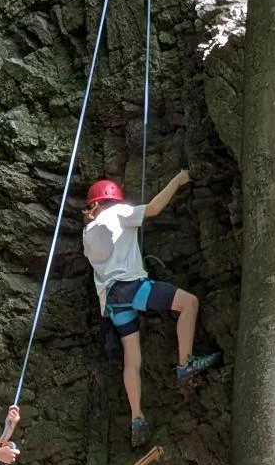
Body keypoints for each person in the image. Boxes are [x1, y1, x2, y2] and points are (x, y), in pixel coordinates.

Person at [81, 171, 221, 448]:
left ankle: (137, 417)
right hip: (131, 288)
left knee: (132, 359)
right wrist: (178, 179)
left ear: (94, 204)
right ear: (112, 200)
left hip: (112, 300)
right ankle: (185, 363)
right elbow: (154, 208)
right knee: (189, 303)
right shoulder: (119, 212)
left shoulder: (88, 233)